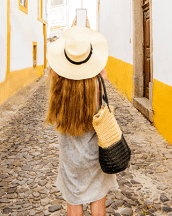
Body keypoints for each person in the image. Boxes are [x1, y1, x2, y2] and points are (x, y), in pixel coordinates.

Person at [46, 25, 117, 216]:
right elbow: (100, 69)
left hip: (70, 157)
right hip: (95, 152)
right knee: (98, 199)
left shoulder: (58, 82)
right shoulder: (99, 80)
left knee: (73, 201)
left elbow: (54, 70)